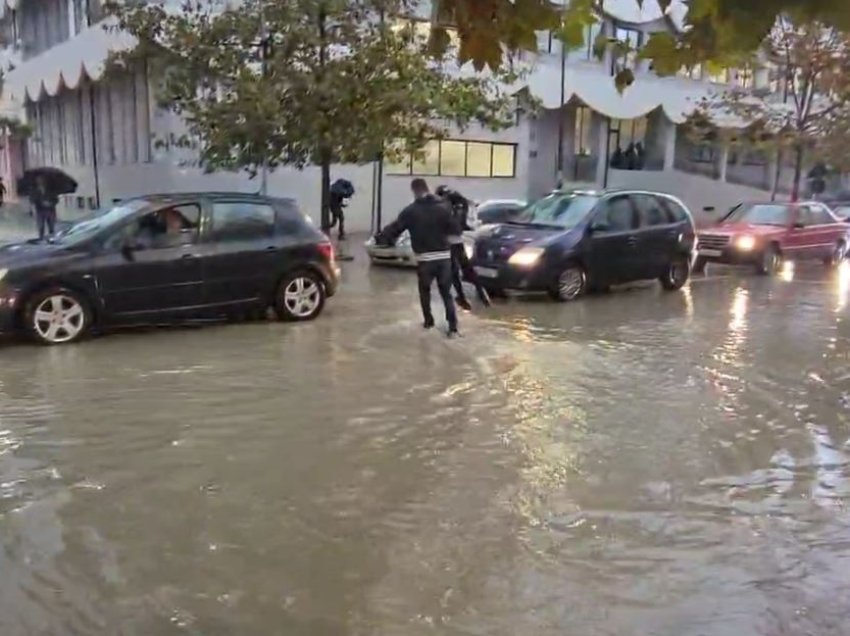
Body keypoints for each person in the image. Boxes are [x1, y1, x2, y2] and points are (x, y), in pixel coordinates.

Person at [380, 178, 460, 336]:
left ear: (414, 191)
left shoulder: (410, 211)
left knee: (425, 292)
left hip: (425, 259)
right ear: (427, 189)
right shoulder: (444, 208)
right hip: (444, 257)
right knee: (446, 294)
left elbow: (394, 229)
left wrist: (381, 238)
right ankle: (453, 328)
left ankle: (429, 323)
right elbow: (456, 230)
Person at [435, 185, 491, 310]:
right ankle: (482, 295)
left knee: (453, 272)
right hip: (458, 240)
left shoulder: (444, 207)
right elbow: (465, 224)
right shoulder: (462, 204)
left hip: (448, 242)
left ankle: (462, 297)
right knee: (467, 268)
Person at [31, 176, 59, 241]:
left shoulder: (51, 190)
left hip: (50, 211)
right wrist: (41, 202)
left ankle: (52, 240)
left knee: (51, 227)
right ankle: (41, 239)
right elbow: (32, 200)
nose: (40, 182)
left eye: (41, 180)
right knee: (41, 227)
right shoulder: (34, 190)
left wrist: (50, 203)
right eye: (38, 181)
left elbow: (56, 200)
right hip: (40, 211)